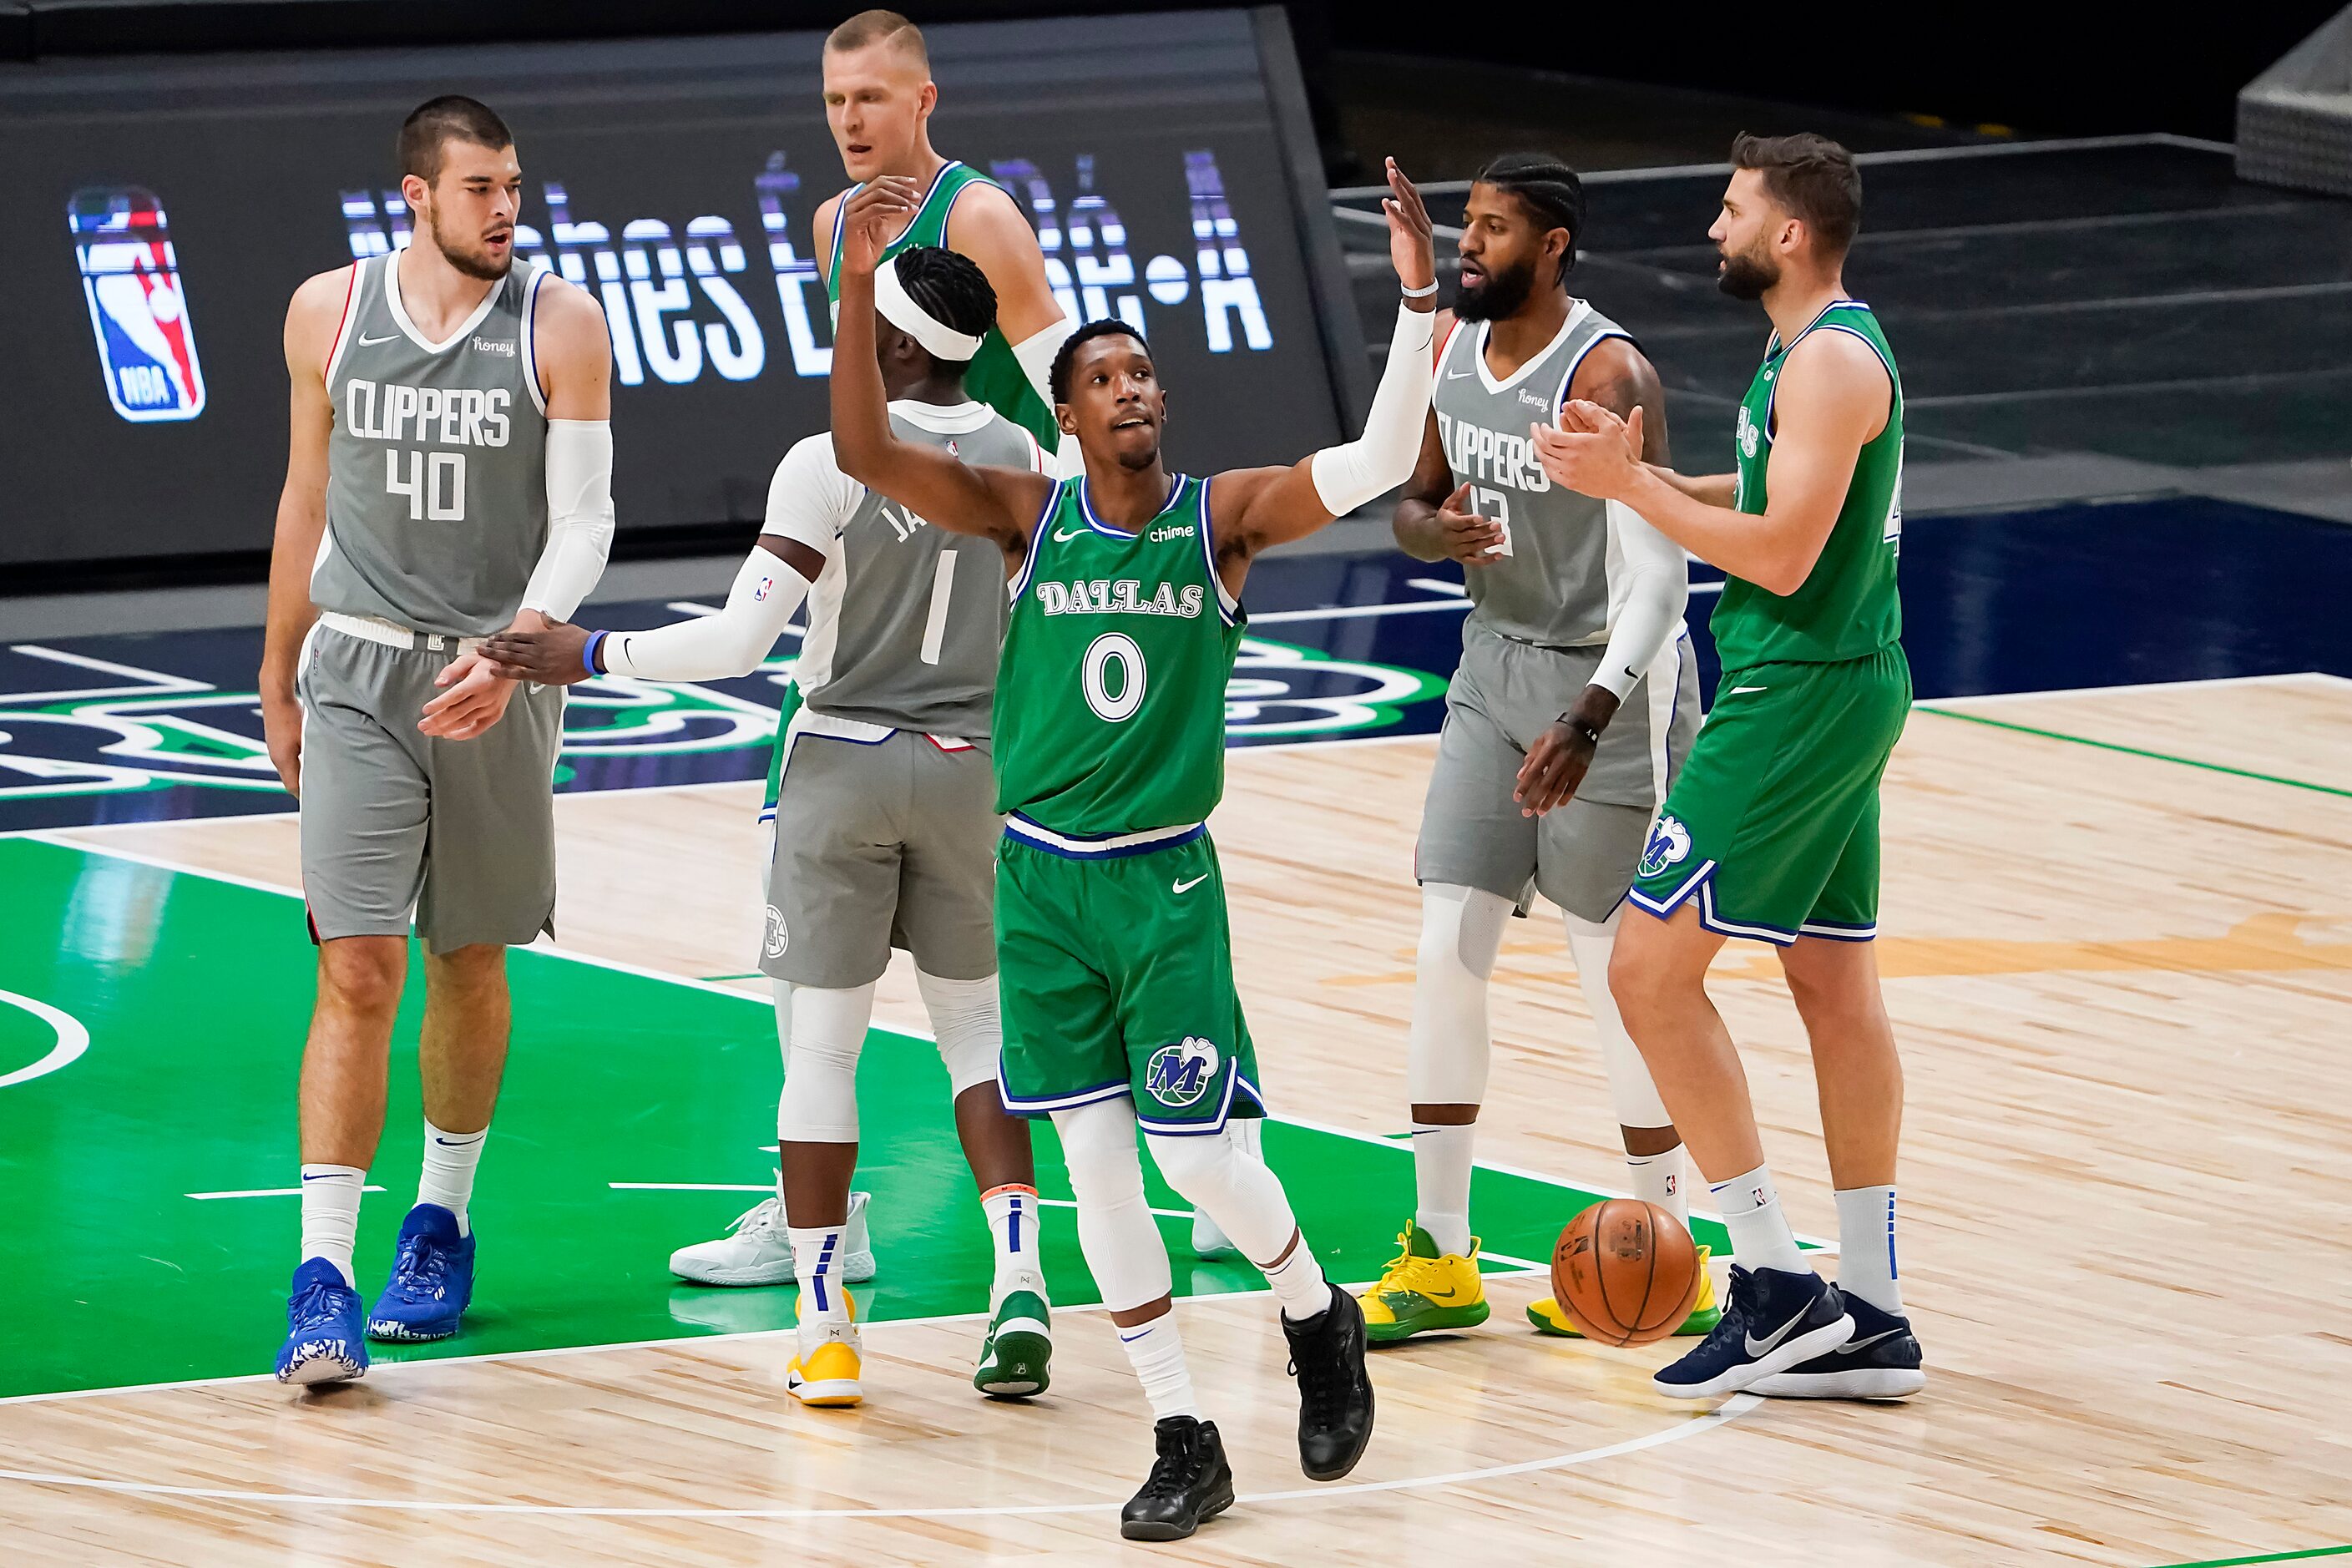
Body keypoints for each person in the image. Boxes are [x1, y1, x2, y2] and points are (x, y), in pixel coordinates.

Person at [825, 156, 1439, 1542]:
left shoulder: (1221, 518)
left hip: (1162, 886)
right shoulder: (1018, 515)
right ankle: (1183, 1430)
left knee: (1202, 1164)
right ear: (1063, 411)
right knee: (1098, 1175)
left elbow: (1379, 461)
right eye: (1104, 377)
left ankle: (1313, 1309)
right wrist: (847, 294)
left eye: (1146, 372)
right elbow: (865, 454)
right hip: (1038, 885)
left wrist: (1411, 302)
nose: (1133, 389)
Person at [483, 245, 1055, 1408]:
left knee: (821, 1058)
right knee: (983, 1051)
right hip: (973, 773)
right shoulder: (1023, 458)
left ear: (892, 343)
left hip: (842, 763)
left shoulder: (829, 461)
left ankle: (823, 1322)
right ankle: (1019, 1285)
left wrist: (590, 653)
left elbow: (741, 644)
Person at [1533, 132, 1925, 1402]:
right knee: (1831, 982)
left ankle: (1769, 1281)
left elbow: (1782, 556)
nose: (1714, 226)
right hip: (1838, 682)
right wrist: (1633, 473)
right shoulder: (1801, 351)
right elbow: (1761, 491)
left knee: (1649, 970)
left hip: (1795, 689)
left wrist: (1628, 488)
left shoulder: (1827, 363)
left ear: (1790, 234)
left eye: (1732, 207)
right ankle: (1867, 1306)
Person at [258, 95, 615, 1383]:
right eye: (479, 188)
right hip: (355, 662)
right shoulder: (327, 311)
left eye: (514, 185)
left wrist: (516, 647)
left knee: (467, 957)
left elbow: (586, 522)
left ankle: (442, 1217)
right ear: (414, 193)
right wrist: (275, 669)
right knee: (357, 967)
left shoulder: (563, 322)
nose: (505, 208)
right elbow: (305, 493)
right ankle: (322, 1275)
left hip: (498, 674)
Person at [1358, 152, 1717, 1347]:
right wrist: (1433, 530)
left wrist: (1592, 715)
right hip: (1492, 666)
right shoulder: (1456, 351)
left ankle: (1674, 1248)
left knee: (1616, 969)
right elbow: (1409, 497)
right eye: (1467, 223)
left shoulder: (1607, 371)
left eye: (1495, 228)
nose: (1470, 244)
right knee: (1444, 939)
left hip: (1611, 684)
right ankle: (1441, 1255)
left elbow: (1663, 574)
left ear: (1553, 246)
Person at [812, 9, 1077, 459]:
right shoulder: (832, 224)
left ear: (924, 100)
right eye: (835, 100)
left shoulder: (977, 216)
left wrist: (1066, 519)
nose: (849, 120)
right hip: (912, 511)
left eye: (870, 97)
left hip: (1014, 504)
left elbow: (1073, 402)